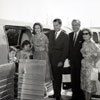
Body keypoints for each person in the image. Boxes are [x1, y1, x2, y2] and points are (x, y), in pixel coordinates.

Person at [48, 18, 69, 100]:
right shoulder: (51, 33)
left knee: (58, 78)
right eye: (54, 25)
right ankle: (55, 93)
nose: (55, 27)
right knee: (53, 78)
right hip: (50, 59)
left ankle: (58, 95)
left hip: (58, 61)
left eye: (56, 25)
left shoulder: (65, 36)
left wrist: (62, 61)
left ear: (60, 25)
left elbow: (66, 50)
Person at [31, 22, 52, 97]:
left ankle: (44, 90)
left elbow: (48, 48)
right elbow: (32, 48)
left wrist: (47, 58)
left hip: (43, 56)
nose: (36, 29)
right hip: (36, 56)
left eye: (38, 28)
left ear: (41, 28)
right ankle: (41, 90)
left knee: (43, 74)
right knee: (37, 74)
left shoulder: (45, 37)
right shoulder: (32, 37)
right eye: (35, 28)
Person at [81, 28, 100, 100]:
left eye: (86, 34)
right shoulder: (84, 43)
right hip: (83, 66)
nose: (84, 35)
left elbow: (99, 53)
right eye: (83, 34)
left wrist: (94, 62)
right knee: (84, 85)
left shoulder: (92, 43)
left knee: (89, 86)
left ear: (90, 35)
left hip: (89, 67)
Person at [68, 19, 85, 100]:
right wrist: (68, 58)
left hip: (81, 63)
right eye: (73, 25)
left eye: (76, 25)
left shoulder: (83, 34)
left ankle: (80, 97)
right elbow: (69, 48)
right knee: (73, 80)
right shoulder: (70, 35)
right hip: (72, 62)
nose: (74, 26)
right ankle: (74, 96)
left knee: (80, 80)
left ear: (79, 25)